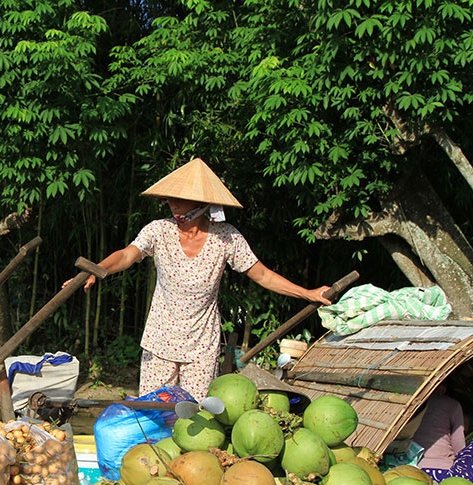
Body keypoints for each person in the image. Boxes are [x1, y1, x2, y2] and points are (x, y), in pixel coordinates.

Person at [65, 158, 332, 399]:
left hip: (201, 346)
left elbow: (261, 274)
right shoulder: (159, 231)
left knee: (195, 417)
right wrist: (96, 269)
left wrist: (307, 293)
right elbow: (126, 255)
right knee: (154, 413)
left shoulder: (226, 236)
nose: (174, 203)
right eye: (170, 198)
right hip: (161, 340)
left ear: (202, 204)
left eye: (181, 198)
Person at [414, 384, 473, 483]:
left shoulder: (414, 405)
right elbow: (459, 445)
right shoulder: (452, 405)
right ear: (443, 388)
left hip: (415, 468)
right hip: (444, 471)